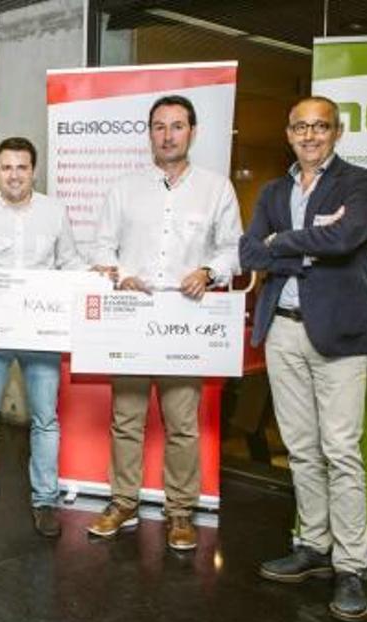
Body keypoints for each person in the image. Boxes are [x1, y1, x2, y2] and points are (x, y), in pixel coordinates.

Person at [239, 96, 367, 622]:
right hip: (283, 333)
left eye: (320, 126)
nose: (310, 135)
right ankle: (313, 547)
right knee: (301, 449)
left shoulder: (360, 183)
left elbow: (346, 238)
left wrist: (284, 242)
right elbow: (250, 252)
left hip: (340, 334)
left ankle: (349, 567)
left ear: (336, 132)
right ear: (288, 132)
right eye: (301, 126)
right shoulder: (275, 190)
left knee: (341, 450)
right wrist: (294, 246)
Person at [87, 95, 241, 550]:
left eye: (177, 126)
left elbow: (233, 248)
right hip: (133, 321)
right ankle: (123, 503)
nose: (168, 134)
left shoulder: (217, 189)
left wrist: (208, 272)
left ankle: (179, 513)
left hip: (183, 323)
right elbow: (101, 248)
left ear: (192, 132)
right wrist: (120, 276)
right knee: (126, 420)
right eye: (159, 126)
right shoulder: (124, 188)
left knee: (182, 424)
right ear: (150, 133)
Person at [0, 137, 89, 537]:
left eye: (22, 167)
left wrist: (99, 276)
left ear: (34, 171)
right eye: (7, 167)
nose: (14, 175)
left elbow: (70, 264)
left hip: (40, 334)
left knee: (45, 419)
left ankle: (45, 501)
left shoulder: (54, 212)